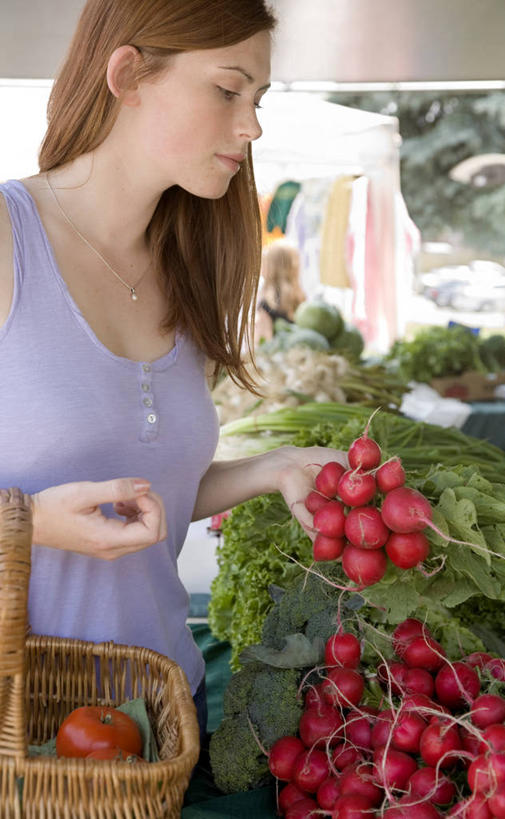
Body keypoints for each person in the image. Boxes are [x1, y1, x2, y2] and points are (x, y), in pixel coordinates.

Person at [0, 0, 347, 748]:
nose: (251, 126)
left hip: (162, 723)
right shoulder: (7, 239)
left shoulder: (184, 269)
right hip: (27, 738)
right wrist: (30, 525)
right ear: (128, 74)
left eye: (259, 100)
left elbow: (141, 496)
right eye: (228, 90)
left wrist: (274, 466)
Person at [254, 239, 306, 343]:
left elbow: (262, 341)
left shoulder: (267, 303)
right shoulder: (300, 298)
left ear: (271, 267)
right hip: (298, 355)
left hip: (276, 357)